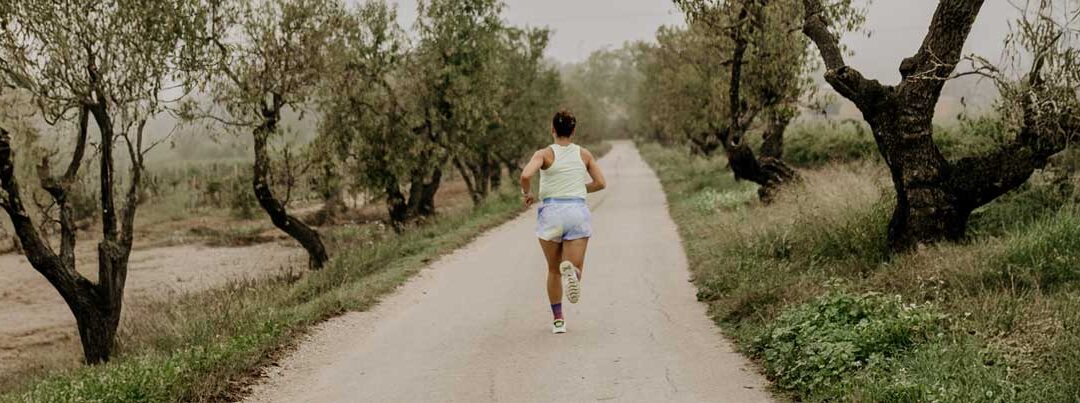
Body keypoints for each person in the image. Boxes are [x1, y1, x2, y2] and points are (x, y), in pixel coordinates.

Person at [519, 109, 607, 334]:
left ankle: (558, 319)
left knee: (553, 269)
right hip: (576, 211)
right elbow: (601, 183)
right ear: (573, 131)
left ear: (553, 130)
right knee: (574, 267)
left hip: (551, 213)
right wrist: (579, 188)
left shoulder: (544, 154)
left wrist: (527, 193)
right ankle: (574, 275)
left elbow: (526, 175)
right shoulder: (584, 154)